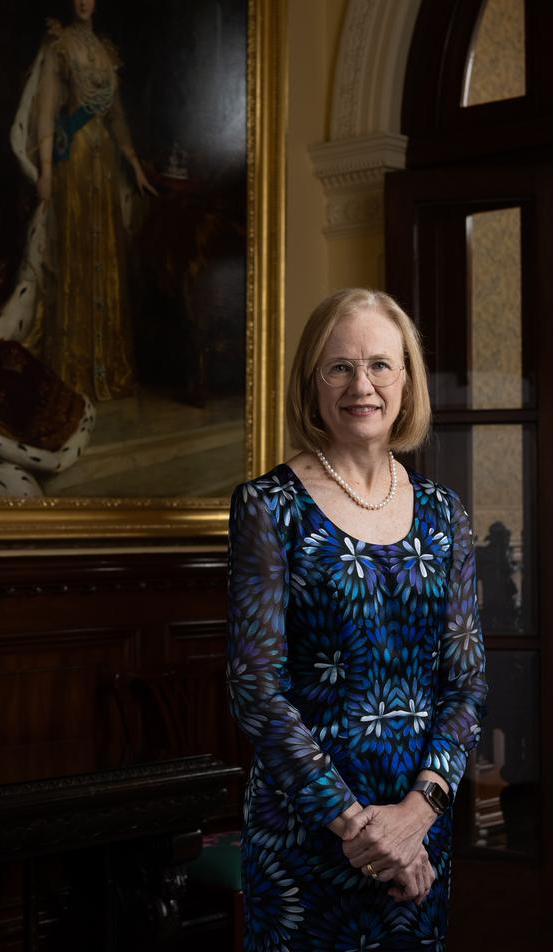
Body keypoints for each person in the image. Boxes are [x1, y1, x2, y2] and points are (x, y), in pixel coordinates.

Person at [227, 288, 487, 949]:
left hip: (418, 837)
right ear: (312, 383)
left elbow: (466, 684)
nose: (361, 385)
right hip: (307, 836)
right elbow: (256, 691)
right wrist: (360, 829)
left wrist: (417, 814)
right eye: (338, 366)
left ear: (406, 381)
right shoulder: (269, 507)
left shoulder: (443, 513)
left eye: (380, 365)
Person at [1, 0, 156, 403]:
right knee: (73, 257)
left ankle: (106, 367)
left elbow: (118, 117)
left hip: (103, 166)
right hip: (72, 167)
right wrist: (46, 172)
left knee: (104, 258)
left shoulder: (106, 53)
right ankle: (73, 368)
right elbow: (47, 114)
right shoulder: (58, 46)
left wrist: (134, 163)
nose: (84, 0)